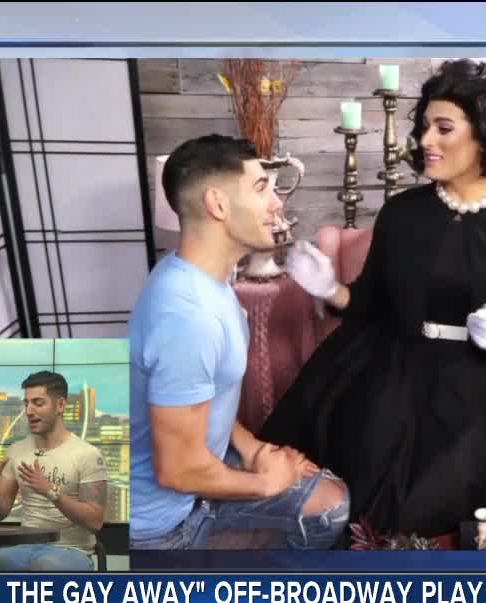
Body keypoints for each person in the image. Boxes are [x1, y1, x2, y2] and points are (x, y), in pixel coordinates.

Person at [261, 59, 486, 539]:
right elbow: (371, 303)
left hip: (483, 383)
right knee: (365, 490)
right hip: (396, 364)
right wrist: (329, 288)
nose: (425, 140)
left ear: (484, 136)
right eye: (424, 127)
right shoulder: (401, 214)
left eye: (443, 128)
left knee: (444, 503)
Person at [128, 134, 349, 550]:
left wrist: (253, 449)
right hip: (161, 523)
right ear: (218, 204)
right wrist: (267, 482)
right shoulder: (188, 316)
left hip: (202, 471)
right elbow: (176, 471)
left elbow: (205, 397)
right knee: (321, 508)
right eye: (261, 188)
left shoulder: (206, 277)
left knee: (329, 501)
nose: (277, 203)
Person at [0, 371, 107, 571]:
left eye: (38, 403)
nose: (29, 411)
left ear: (60, 405)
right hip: (24, 547)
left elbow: (95, 521)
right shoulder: (17, 450)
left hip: (70, 550)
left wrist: (50, 491)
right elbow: (0, 513)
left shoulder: (87, 454)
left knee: (45, 566)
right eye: (26, 403)